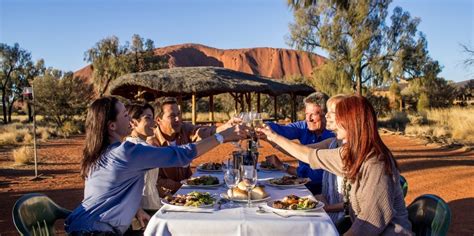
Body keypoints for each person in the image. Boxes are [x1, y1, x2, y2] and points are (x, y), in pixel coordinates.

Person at [65, 96, 244, 235]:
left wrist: (136, 209)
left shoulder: (97, 152)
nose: (130, 120)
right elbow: (182, 155)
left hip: (81, 226)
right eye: (126, 115)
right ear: (112, 125)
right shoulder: (126, 152)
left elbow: (106, 191)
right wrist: (223, 137)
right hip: (96, 232)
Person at [258, 95, 412, 235]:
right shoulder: (351, 152)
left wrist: (273, 137)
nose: (329, 118)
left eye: (337, 115)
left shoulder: (375, 162)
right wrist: (271, 137)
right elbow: (308, 154)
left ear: (352, 121)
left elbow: (370, 223)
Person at [147, 97, 236, 197]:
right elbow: (156, 180)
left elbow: (203, 132)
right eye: (172, 116)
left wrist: (225, 127)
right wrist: (182, 186)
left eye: (178, 114)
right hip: (167, 198)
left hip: (190, 190)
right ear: (158, 120)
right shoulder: (152, 144)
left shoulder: (184, 128)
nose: (178, 119)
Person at [265, 92, 334, 194]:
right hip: (303, 186)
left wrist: (283, 166)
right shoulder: (303, 126)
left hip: (323, 192)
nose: (308, 119)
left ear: (325, 115)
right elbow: (282, 129)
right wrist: (261, 125)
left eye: (313, 114)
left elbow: (314, 175)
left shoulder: (332, 136)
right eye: (306, 114)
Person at [124, 103, 160, 229]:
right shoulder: (140, 148)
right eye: (148, 118)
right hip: (143, 212)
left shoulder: (128, 145)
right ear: (133, 122)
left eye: (153, 118)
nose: (154, 122)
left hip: (147, 206)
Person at [318, 94, 346, 224]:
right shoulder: (333, 142)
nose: (326, 115)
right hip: (329, 215)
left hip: (344, 222)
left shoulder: (352, 150)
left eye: (332, 112)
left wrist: (328, 208)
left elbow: (355, 204)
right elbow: (302, 151)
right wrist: (269, 137)